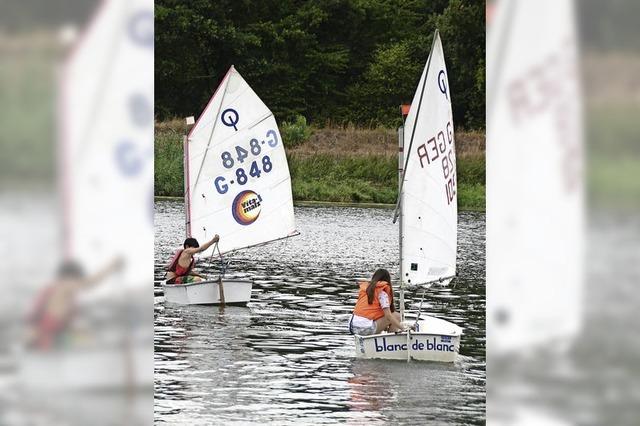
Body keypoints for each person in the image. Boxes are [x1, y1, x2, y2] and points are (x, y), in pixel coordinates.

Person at [27, 257, 124, 350]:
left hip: (50, 338)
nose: (78, 283)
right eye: (78, 278)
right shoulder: (65, 285)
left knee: (86, 337)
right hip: (48, 341)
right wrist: (111, 266)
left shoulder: (56, 289)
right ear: (73, 276)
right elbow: (90, 283)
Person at [349, 268, 406, 335]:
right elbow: (388, 316)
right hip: (365, 328)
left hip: (352, 326)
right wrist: (403, 329)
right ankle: (390, 341)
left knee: (383, 321)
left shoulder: (366, 290)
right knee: (397, 316)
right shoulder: (382, 293)